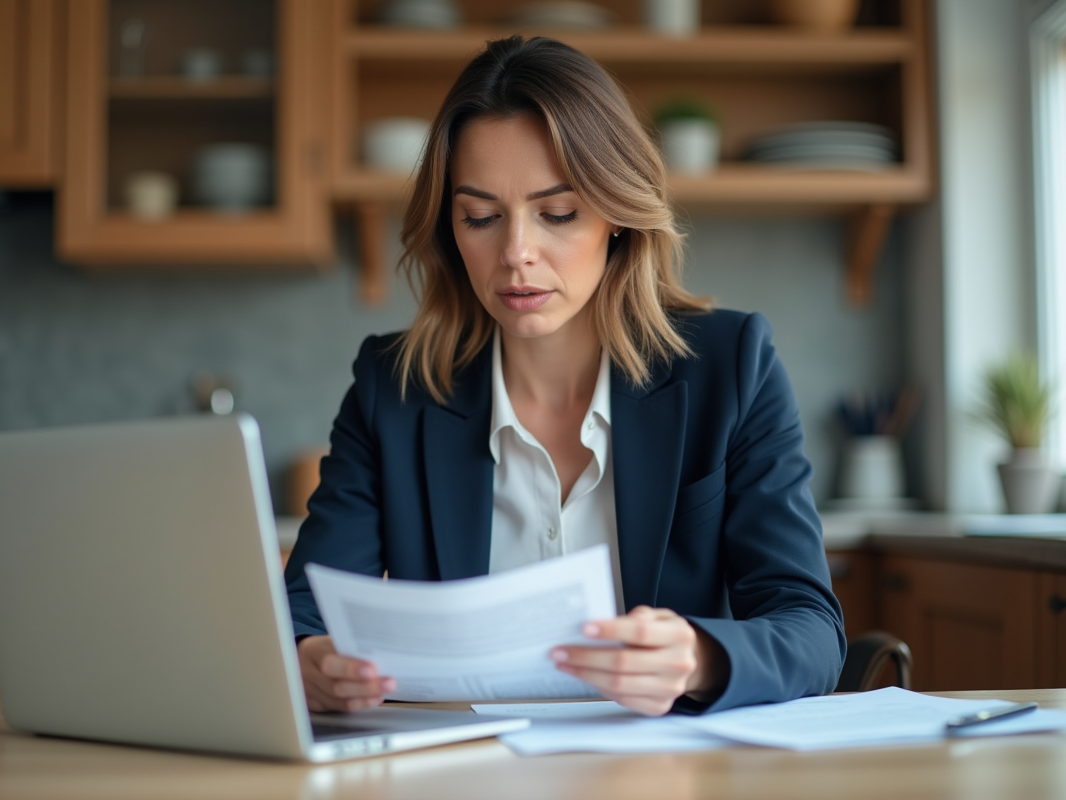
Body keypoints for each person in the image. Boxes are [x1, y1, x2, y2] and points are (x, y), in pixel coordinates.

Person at [284, 35, 844, 717]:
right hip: (462, 764)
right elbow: (303, 610)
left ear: (617, 214)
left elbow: (811, 629)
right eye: (480, 217)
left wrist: (698, 658)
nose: (516, 253)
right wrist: (311, 660)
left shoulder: (732, 366)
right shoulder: (393, 388)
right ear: (450, 230)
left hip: (663, 765)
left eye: (558, 213)